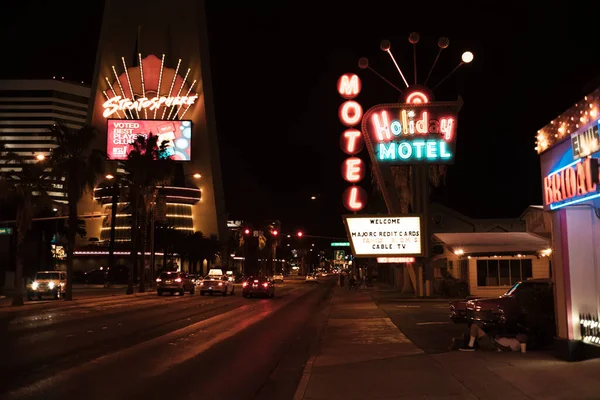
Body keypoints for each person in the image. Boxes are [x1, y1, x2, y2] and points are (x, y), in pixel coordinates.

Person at [459, 323, 527, 352]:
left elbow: (506, 348)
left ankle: (471, 345)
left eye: (521, 335)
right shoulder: (514, 340)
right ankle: (470, 344)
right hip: (492, 342)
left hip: (491, 344)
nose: (519, 335)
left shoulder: (516, 343)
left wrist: (495, 344)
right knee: (474, 328)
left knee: (474, 326)